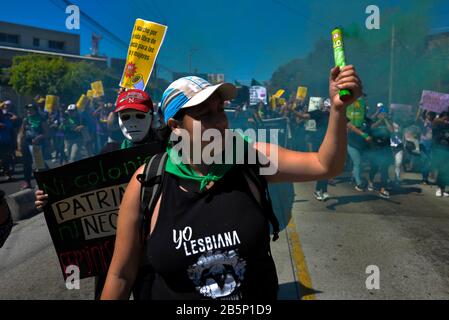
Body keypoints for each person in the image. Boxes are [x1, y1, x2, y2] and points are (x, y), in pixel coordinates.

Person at [100, 65, 362, 300]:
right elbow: (121, 276)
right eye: (206, 114)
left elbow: (325, 165)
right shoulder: (147, 182)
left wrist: (338, 109)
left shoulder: (251, 158)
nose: (221, 120)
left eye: (220, 109)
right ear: (176, 126)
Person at [17, 103, 49, 189]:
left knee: (39, 165)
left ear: (35, 110)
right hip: (26, 144)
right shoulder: (25, 119)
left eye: (30, 109)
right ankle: (27, 182)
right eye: (27, 109)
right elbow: (21, 132)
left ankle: (43, 182)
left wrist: (38, 137)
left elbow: (46, 133)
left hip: (37, 145)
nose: (28, 111)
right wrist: (19, 144)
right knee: (26, 164)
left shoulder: (41, 119)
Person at [367, 108, 393, 199]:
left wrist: (385, 120)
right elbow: (371, 128)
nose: (383, 115)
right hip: (375, 148)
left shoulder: (389, 121)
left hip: (385, 149)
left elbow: (392, 130)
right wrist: (380, 120)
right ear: (378, 115)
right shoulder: (374, 121)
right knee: (374, 167)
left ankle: (383, 189)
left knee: (384, 169)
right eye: (381, 114)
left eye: (384, 113)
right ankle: (370, 181)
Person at [346, 99, 372, 191]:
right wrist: (364, 135)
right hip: (352, 144)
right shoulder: (351, 119)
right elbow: (351, 128)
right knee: (357, 162)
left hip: (362, 146)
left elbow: (371, 130)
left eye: (365, 109)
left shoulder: (368, 121)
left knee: (359, 164)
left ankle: (355, 175)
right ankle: (359, 183)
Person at [432, 111, 449, 197]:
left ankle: (444, 189)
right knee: (442, 170)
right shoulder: (437, 126)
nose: (446, 121)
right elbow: (435, 138)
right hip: (440, 151)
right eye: (445, 119)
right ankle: (439, 188)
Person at [419, 111, 436, 185]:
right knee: (424, 161)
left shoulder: (435, 123)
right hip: (423, 143)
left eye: (431, 115)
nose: (430, 116)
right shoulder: (423, 122)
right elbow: (420, 117)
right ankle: (424, 178)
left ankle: (426, 178)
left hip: (432, 144)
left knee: (429, 162)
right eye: (429, 115)